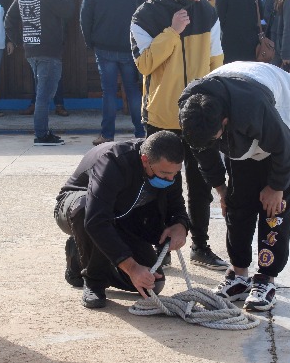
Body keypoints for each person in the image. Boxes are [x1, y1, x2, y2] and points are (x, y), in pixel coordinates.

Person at [178, 62, 290, 311]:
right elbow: (202, 150)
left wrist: (276, 186)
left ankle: (266, 277)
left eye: (215, 138)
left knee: (275, 208)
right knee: (237, 201)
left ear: (225, 122)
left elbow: (286, 149)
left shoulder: (250, 109)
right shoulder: (193, 109)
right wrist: (220, 188)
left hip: (287, 120)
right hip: (243, 125)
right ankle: (239, 274)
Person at [130, 0, 227, 271]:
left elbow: (216, 62)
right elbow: (144, 65)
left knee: (201, 186)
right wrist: (171, 32)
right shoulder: (143, 16)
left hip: (198, 116)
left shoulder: (207, 12)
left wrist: (215, 108)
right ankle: (162, 246)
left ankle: (200, 245)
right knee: (162, 187)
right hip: (161, 118)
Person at [54, 131, 190, 308]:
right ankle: (94, 280)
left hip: (121, 216)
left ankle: (81, 258)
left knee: (152, 284)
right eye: (165, 175)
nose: (170, 179)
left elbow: (176, 205)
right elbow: (96, 220)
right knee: (85, 208)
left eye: (175, 174)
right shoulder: (113, 161)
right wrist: (132, 268)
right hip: (78, 209)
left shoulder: (168, 167)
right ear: (144, 160)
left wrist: (180, 225)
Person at [5, 0, 75, 145]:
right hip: (48, 52)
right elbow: (68, 10)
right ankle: (42, 135)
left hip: (32, 51)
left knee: (41, 94)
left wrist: (20, 42)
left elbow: (8, 20)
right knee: (44, 96)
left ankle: (43, 132)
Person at [80, 0, 146, 146]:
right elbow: (143, 18)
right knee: (133, 90)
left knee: (108, 91)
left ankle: (107, 134)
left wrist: (90, 43)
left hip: (104, 47)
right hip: (129, 48)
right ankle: (141, 132)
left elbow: (85, 20)